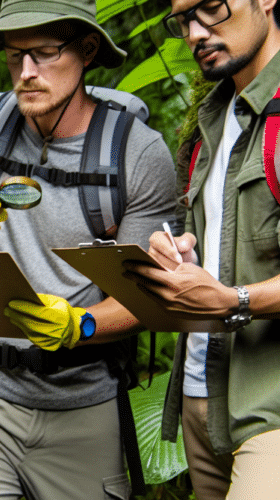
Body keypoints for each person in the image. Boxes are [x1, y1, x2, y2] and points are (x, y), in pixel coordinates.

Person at [0, 0, 177, 498]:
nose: (26, 72)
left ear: (87, 50)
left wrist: (79, 324)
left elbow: (148, 295)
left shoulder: (137, 153)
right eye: (13, 55)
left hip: (86, 401)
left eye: (44, 53)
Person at [124, 0, 280, 498]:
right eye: (183, 20)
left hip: (271, 406)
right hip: (201, 397)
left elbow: (231, 293)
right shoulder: (211, 118)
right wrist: (183, 258)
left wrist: (234, 301)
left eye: (211, 8)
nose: (195, 32)